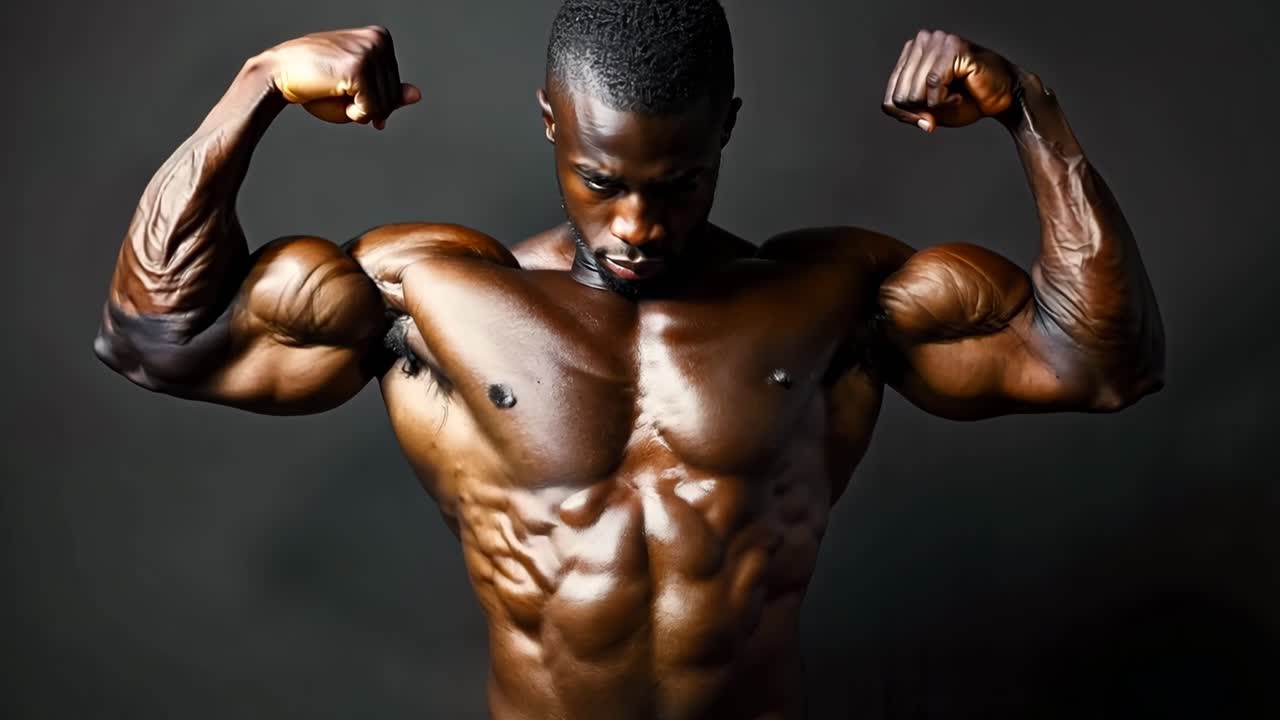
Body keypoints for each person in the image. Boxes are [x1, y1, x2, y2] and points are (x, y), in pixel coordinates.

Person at [93, 1, 1165, 717]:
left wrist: (1028, 107)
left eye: (678, 181)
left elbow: (1100, 361)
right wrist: (257, 87)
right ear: (550, 124)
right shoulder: (432, 301)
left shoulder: (831, 301)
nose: (639, 224)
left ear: (725, 134)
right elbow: (159, 338)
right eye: (604, 181)